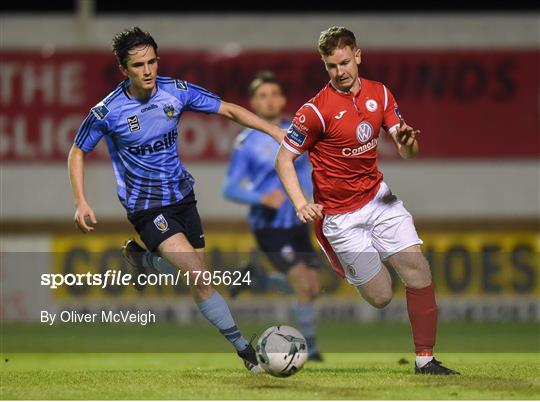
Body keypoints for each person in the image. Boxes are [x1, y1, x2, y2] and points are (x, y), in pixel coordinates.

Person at [68, 27, 284, 373]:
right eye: (138, 65)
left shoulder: (175, 91)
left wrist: (274, 131)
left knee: (200, 279)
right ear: (124, 69)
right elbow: (77, 151)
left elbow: (227, 109)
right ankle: (245, 350)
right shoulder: (107, 111)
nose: (148, 70)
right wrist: (81, 201)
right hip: (146, 206)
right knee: (198, 274)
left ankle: (145, 262)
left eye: (152, 61)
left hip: (183, 197)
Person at [275, 26, 459, 375]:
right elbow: (283, 159)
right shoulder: (314, 111)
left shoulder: (381, 94)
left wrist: (407, 142)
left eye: (345, 62)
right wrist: (301, 203)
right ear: (324, 66)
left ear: (358, 55)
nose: (340, 72)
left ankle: (425, 361)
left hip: (379, 199)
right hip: (340, 216)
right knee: (381, 297)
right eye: (331, 66)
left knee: (418, 271)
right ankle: (335, 251)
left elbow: (409, 152)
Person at [222, 71, 322, 361]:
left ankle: (258, 279)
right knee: (303, 284)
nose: (269, 101)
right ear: (253, 102)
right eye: (262, 96)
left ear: (283, 99)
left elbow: (307, 172)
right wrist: (261, 197)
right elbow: (229, 188)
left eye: (274, 94)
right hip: (270, 225)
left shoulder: (298, 131)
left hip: (298, 221)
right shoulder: (247, 142)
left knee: (314, 287)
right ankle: (311, 349)